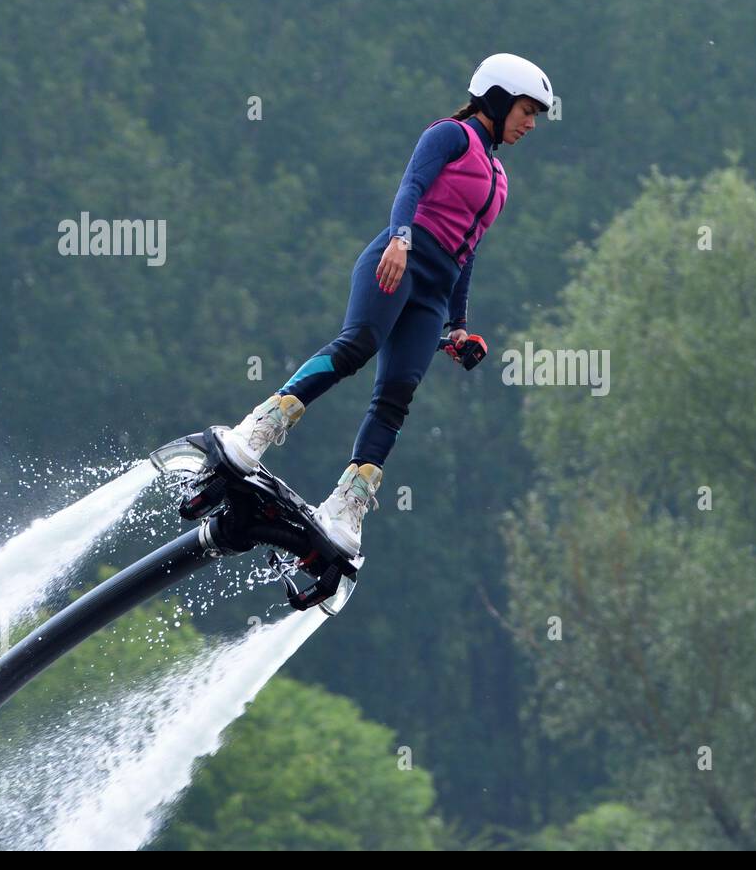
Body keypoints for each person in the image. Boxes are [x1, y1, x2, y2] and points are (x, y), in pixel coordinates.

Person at [214, 53, 553, 558]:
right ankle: (260, 427)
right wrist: (399, 240)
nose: (530, 123)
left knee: (398, 394)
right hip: (399, 260)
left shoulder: (500, 179)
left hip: (434, 295)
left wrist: (459, 326)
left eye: (535, 115)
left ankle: (347, 502)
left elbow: (468, 252)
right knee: (359, 345)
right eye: (526, 110)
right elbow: (411, 187)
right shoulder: (450, 135)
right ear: (499, 98)